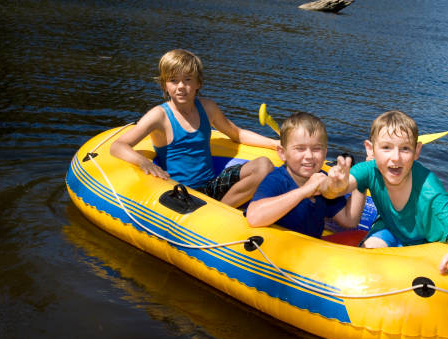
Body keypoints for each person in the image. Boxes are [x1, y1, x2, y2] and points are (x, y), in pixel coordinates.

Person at [110, 49, 278, 208]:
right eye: (173, 80)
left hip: (210, 185)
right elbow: (118, 146)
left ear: (198, 83)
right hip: (180, 194)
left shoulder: (208, 108)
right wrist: (143, 162)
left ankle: (221, 210)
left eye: (188, 79)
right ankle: (216, 213)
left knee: (264, 166)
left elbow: (238, 134)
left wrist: (274, 143)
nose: (181, 86)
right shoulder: (159, 116)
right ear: (164, 85)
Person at [323, 110, 448, 275]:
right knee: (368, 253)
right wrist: (336, 184)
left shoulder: (428, 187)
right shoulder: (369, 170)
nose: (395, 157)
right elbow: (342, 187)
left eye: (405, 149)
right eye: (386, 147)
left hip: (424, 240)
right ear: (370, 149)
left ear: (417, 151)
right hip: (389, 228)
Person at [246, 112, 364, 239]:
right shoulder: (277, 180)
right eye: (300, 148)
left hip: (309, 251)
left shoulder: (324, 182)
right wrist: (305, 191)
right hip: (276, 249)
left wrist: (361, 177)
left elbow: (349, 221)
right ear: (282, 153)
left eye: (316, 149)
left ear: (325, 152)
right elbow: (253, 218)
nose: (309, 156)